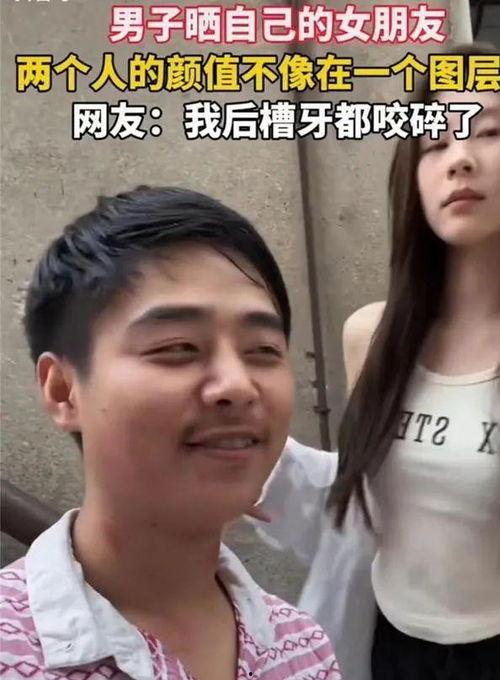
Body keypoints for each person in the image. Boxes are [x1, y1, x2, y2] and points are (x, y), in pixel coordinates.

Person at [0, 187, 341, 680]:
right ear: (63, 391)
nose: (237, 385)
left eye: (263, 350)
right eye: (178, 347)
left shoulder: (304, 648)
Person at [252, 42, 500, 680]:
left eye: (489, 133)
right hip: (391, 643)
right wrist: (254, 462)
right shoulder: (373, 336)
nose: (460, 158)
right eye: (435, 143)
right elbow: (368, 495)